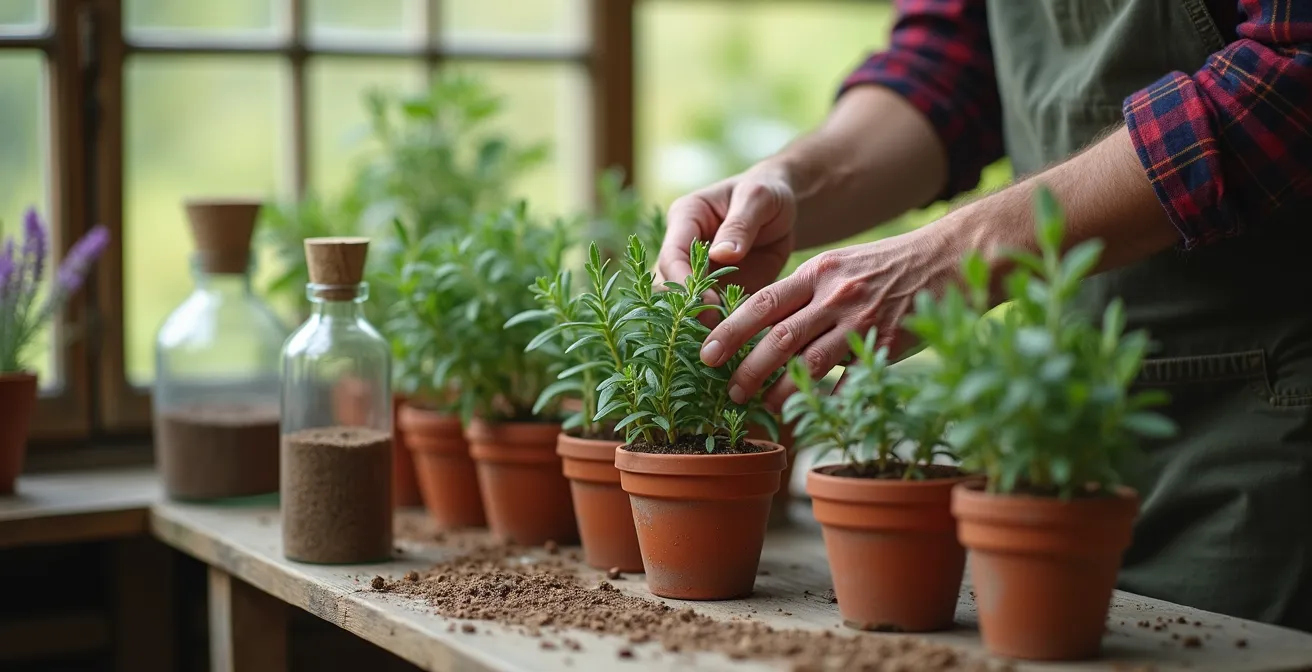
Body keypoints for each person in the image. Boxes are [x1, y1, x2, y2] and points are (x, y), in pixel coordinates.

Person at [657, 0, 1312, 632]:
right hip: (1063, 396)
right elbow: (949, 59)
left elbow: (1291, 76)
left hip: (1261, 413)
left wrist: (955, 251)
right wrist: (792, 181)